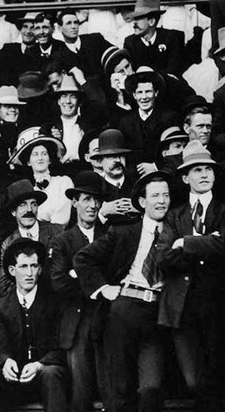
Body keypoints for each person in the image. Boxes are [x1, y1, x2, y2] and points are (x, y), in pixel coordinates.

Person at [74, 171, 172, 412]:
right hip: (123, 310)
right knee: (120, 389)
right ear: (142, 202)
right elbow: (83, 258)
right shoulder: (125, 231)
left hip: (157, 313)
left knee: (151, 388)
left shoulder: (175, 232)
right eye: (155, 195)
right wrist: (102, 288)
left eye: (166, 195)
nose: (162, 201)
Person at [158, 141, 225, 411]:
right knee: (193, 380)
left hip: (216, 304)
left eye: (208, 169)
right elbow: (164, 257)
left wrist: (186, 242)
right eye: (196, 170)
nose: (204, 175)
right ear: (184, 177)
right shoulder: (173, 215)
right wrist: (206, 241)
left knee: (214, 378)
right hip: (181, 307)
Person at [0, 238, 69, 412]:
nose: (29, 273)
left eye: (34, 266)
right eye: (23, 266)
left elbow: (61, 347)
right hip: (15, 379)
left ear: (40, 269)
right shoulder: (1, 307)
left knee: (51, 374)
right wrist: (5, 362)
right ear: (12, 271)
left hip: (44, 375)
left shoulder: (53, 303)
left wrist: (40, 365)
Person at [49, 171, 110, 412]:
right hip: (77, 322)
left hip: (108, 319)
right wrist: (95, 282)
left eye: (96, 200)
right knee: (81, 393)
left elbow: (114, 277)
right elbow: (59, 284)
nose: (92, 205)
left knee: (112, 388)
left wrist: (78, 274)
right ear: (75, 202)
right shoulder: (62, 241)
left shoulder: (110, 236)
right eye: (86, 199)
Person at [0, 179, 63, 295]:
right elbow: (4, 286)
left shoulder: (57, 232)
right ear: (13, 211)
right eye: (23, 205)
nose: (29, 210)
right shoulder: (8, 244)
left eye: (33, 204)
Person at [8, 127, 73, 226]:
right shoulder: (29, 190)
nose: (40, 158)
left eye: (44, 154)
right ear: (29, 162)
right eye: (35, 154)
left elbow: (62, 219)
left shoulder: (63, 182)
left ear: (50, 159)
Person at [123, 0, 186, 75]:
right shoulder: (130, 43)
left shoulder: (172, 38)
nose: (134, 23)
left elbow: (175, 69)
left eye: (139, 18)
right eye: (134, 19)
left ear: (151, 21)